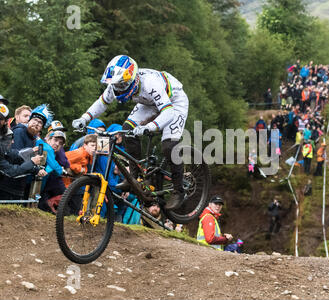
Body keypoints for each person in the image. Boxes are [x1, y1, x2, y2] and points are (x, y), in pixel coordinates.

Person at [72, 55, 189, 210]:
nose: (119, 89)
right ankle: (134, 177)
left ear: (132, 80)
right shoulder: (116, 83)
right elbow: (102, 102)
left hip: (173, 102)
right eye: (117, 85)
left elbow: (168, 112)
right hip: (148, 103)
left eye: (122, 85)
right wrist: (84, 118)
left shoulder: (150, 84)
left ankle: (178, 190)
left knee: (169, 145)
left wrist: (151, 126)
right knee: (127, 130)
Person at [0, 104, 44, 201]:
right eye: (26, 116)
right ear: (16, 117)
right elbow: (13, 168)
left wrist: (35, 168)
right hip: (8, 185)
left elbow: (13, 154)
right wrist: (32, 163)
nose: (12, 141)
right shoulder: (19, 131)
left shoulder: (31, 138)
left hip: (17, 185)